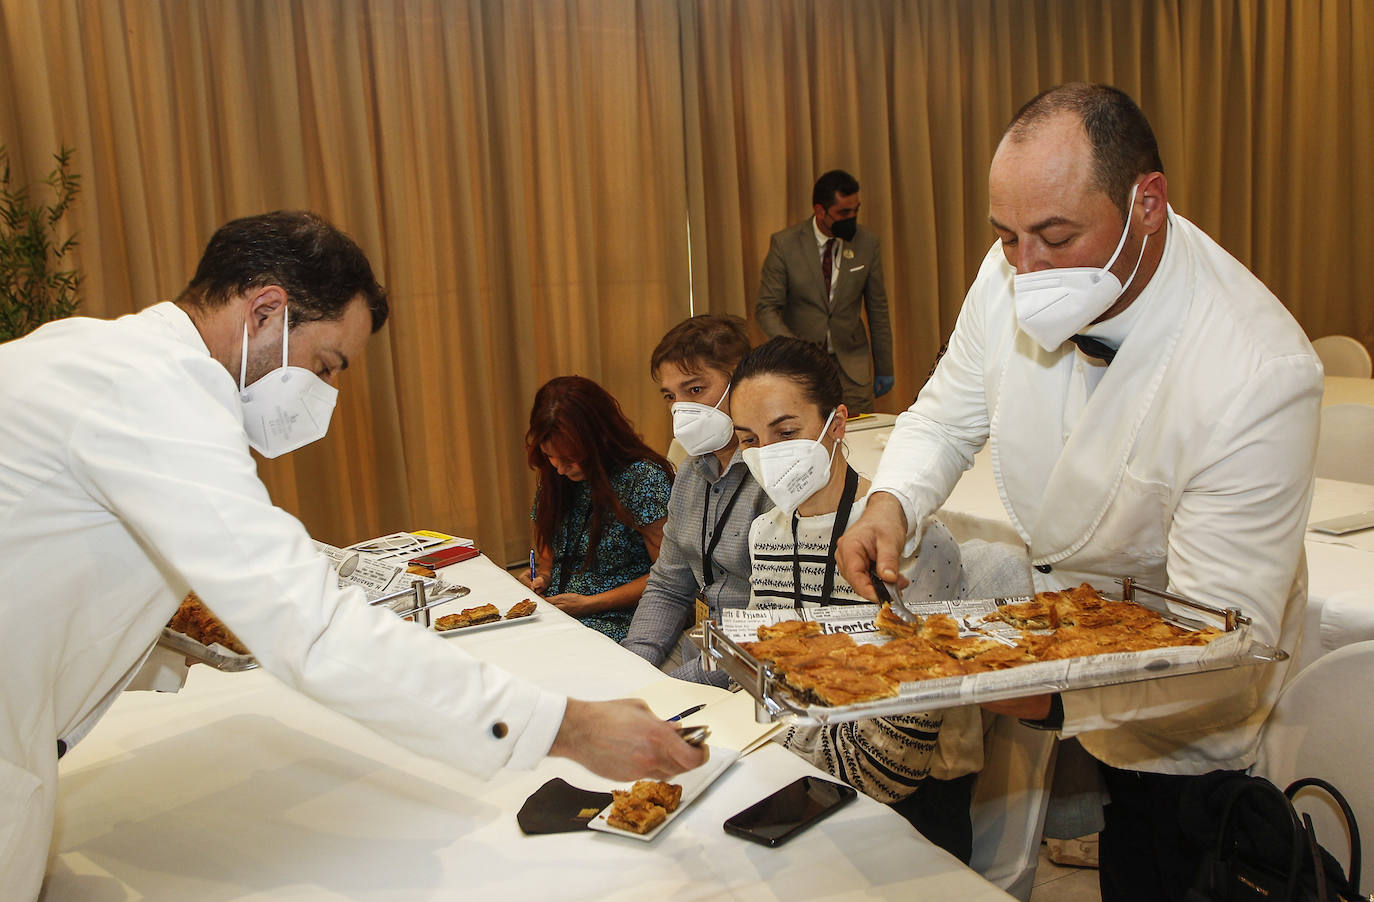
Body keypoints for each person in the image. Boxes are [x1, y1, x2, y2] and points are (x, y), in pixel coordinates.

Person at [0, 211, 704, 900]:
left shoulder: (94, 352)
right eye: (326, 364)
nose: (328, 391)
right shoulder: (151, 392)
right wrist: (566, 727)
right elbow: (309, 624)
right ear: (266, 311)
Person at [836, 84, 1323, 902]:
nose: (1024, 269)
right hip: (1076, 646)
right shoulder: (1013, 271)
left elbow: (1222, 646)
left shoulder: (1258, 372)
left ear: (1148, 205)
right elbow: (949, 411)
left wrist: (1048, 698)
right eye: (1006, 238)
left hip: (1187, 721)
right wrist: (892, 502)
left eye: (1055, 238)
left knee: (1166, 866)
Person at [731, 336, 984, 862]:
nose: (766, 455)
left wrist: (769, 757)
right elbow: (764, 676)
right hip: (802, 776)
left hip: (904, 806)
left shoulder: (908, 540)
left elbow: (898, 755)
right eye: (748, 439)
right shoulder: (765, 532)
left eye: (786, 432)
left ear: (837, 425)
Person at [620, 315, 772, 685]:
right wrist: (632, 665)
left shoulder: (773, 477)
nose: (680, 409)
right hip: (702, 646)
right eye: (671, 396)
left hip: (755, 665)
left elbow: (772, 630)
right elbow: (668, 585)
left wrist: (671, 687)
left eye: (695, 390)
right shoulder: (690, 473)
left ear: (741, 386)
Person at [520, 375, 673, 641]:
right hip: (562, 609)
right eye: (550, 456)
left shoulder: (642, 479)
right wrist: (542, 575)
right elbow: (547, 551)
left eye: (570, 459)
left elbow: (669, 578)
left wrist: (592, 603)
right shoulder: (557, 476)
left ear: (599, 440)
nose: (559, 467)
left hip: (618, 615)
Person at [755, 169, 894, 413]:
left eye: (855, 210)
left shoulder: (867, 243)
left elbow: (877, 309)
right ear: (820, 211)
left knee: (858, 437)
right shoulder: (785, 244)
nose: (851, 218)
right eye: (843, 213)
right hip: (802, 368)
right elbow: (767, 308)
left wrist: (885, 368)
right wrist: (795, 350)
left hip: (852, 369)